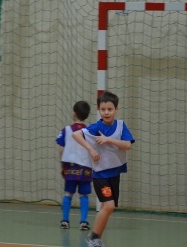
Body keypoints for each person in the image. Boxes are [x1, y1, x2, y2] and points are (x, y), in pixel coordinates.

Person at [72, 91, 135, 247]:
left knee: (108, 208)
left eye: (110, 109)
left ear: (116, 109)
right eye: (103, 109)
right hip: (101, 175)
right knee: (108, 205)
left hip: (115, 173)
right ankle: (93, 238)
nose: (106, 112)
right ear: (98, 109)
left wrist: (108, 140)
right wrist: (91, 149)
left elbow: (127, 145)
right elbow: (76, 135)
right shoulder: (97, 127)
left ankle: (96, 238)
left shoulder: (121, 126)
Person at [56, 100, 92, 230]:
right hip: (85, 167)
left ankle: (65, 221)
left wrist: (62, 165)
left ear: (74, 113)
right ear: (86, 115)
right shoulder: (90, 131)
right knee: (84, 195)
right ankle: (83, 222)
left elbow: (61, 149)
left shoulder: (66, 130)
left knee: (68, 193)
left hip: (70, 167)